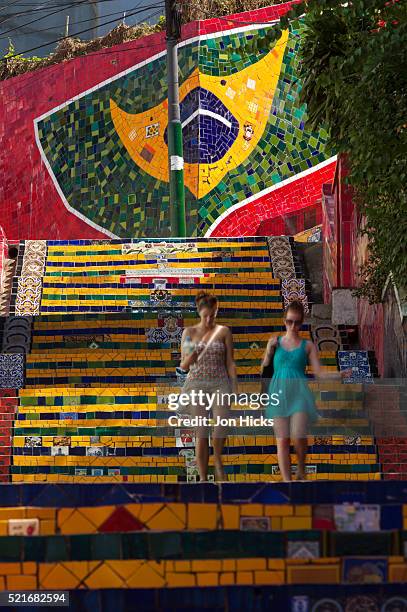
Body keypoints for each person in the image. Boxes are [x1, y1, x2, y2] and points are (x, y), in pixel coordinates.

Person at [262, 300, 351, 482]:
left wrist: (338, 375)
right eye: (289, 321)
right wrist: (269, 353)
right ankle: (288, 483)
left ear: (302, 323)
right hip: (278, 392)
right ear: (284, 321)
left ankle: (301, 467)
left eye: (296, 322)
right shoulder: (275, 341)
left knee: (298, 435)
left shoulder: (307, 345)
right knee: (282, 440)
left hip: (299, 393)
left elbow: (319, 373)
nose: (292, 326)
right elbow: (264, 369)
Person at [179, 291, 237, 482]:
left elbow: (230, 362)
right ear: (199, 313)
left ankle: (218, 459)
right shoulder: (189, 332)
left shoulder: (224, 332)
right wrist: (195, 351)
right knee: (201, 432)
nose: (209, 320)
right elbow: (184, 365)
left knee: (220, 426)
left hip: (219, 382)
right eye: (206, 316)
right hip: (196, 383)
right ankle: (203, 478)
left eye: (213, 315)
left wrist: (234, 387)